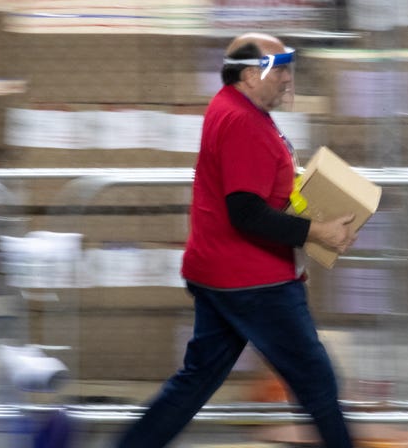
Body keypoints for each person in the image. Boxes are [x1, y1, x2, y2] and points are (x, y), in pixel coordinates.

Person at [115, 32, 357, 448]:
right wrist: (319, 233)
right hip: (254, 282)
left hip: (220, 273)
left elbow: (254, 188)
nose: (287, 78)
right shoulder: (243, 121)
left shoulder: (232, 107)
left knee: (196, 380)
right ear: (249, 74)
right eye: (279, 69)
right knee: (317, 383)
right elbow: (245, 213)